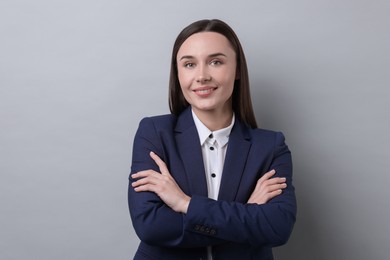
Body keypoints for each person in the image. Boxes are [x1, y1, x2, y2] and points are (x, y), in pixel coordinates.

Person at [128, 19, 296, 260]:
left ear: (237, 69)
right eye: (189, 64)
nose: (202, 76)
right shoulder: (154, 132)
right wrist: (247, 214)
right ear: (178, 73)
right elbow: (150, 225)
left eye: (216, 62)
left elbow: (277, 228)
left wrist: (185, 204)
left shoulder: (270, 147)